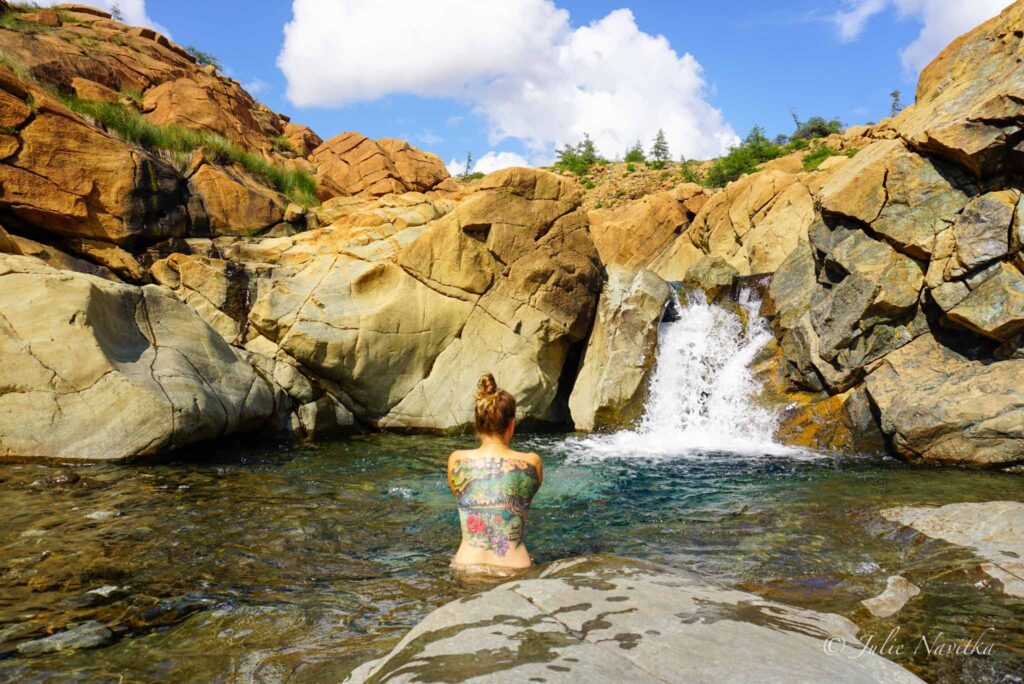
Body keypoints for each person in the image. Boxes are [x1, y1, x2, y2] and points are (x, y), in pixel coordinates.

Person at [447, 373, 542, 578]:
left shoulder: (456, 461)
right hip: (515, 569)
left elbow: (460, 494)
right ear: (512, 424)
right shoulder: (531, 462)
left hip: (466, 567)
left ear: (478, 424)